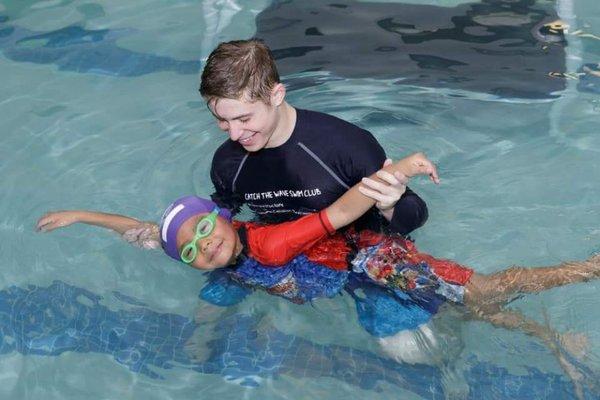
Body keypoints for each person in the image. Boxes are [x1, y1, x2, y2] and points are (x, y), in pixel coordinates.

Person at [37, 153, 599, 382]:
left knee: (483, 294)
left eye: (205, 231)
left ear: (224, 218)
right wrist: (82, 215)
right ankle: (551, 337)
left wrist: (394, 173)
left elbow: (339, 213)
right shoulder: (224, 270)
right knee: (455, 323)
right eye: (190, 251)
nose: (203, 249)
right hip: (359, 293)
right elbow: (143, 231)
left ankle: (586, 270)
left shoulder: (272, 243)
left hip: (374, 259)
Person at [200, 39, 427, 235]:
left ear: (276, 95)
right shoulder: (227, 162)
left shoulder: (348, 147)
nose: (234, 134)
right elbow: (225, 214)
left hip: (360, 254)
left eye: (244, 119)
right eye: (222, 120)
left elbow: (415, 217)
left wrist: (390, 207)